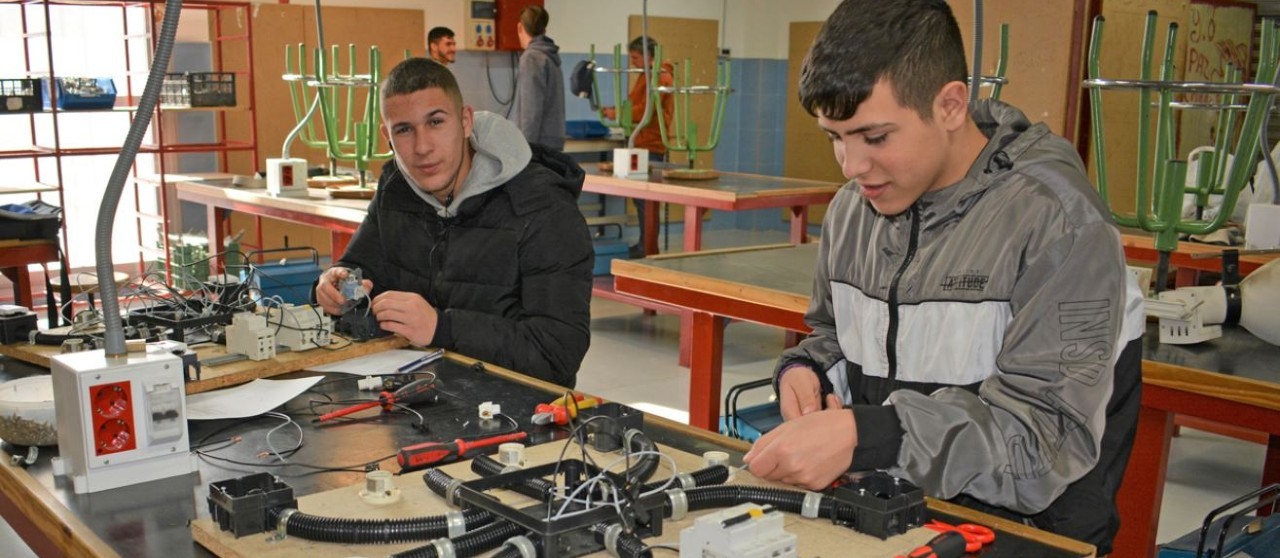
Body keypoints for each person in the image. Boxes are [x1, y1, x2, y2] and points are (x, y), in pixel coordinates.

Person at [740, 1, 1145, 554]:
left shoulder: (1059, 225)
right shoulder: (852, 211)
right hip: (897, 518)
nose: (851, 165)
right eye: (835, 137)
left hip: (1028, 535)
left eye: (875, 137)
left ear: (950, 105)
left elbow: (1044, 443)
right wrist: (807, 369)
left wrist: (871, 435)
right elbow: (837, 336)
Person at [315, 58, 592, 388]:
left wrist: (441, 328)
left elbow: (557, 354)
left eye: (435, 122)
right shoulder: (396, 188)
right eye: (404, 130)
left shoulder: (543, 208)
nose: (422, 147)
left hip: (517, 413)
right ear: (387, 136)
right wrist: (335, 285)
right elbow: (360, 269)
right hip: (417, 396)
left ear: (465, 121)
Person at [601, 36, 674, 258]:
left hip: (651, 145)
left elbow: (645, 111)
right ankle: (645, 244)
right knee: (641, 201)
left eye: (634, 58)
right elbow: (637, 106)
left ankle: (648, 247)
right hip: (642, 142)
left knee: (647, 203)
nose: (632, 63)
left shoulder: (660, 77)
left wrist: (617, 113)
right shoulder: (648, 75)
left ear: (648, 56)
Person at [510, 5, 565, 150]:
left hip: (537, 144)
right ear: (544, 30)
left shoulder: (531, 58)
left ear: (520, 27)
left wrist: (523, 149)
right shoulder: (550, 56)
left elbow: (531, 110)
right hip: (552, 140)